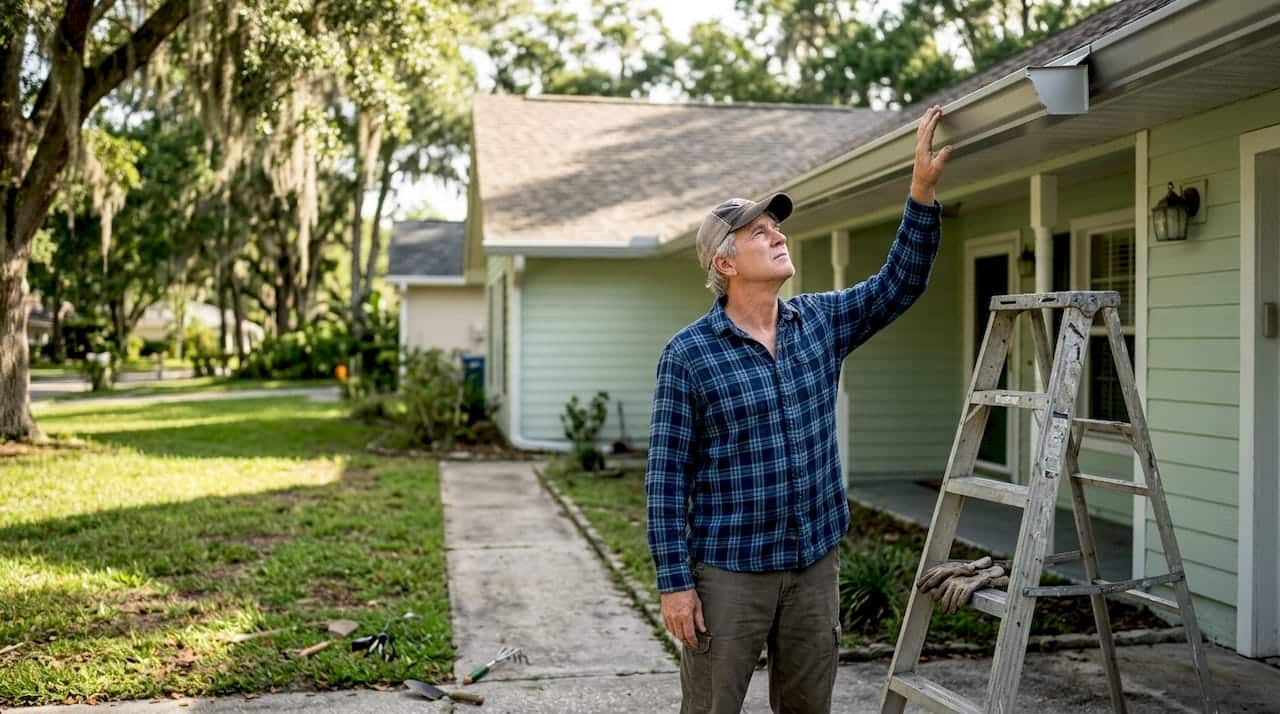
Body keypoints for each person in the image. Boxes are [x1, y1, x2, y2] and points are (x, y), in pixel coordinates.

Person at [645, 105, 953, 714]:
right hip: (729, 572)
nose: (779, 236)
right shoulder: (688, 355)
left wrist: (920, 194)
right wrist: (675, 584)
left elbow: (900, 282)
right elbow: (665, 478)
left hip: (814, 563)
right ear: (724, 264)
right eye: (760, 232)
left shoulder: (820, 323)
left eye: (777, 229)